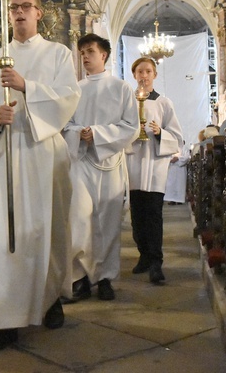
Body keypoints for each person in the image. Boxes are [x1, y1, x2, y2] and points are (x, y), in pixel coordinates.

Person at [0, 0, 81, 351]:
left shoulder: (58, 53)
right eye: (13, 8)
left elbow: (67, 97)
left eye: (25, 7)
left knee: (48, 231)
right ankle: (6, 320)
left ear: (38, 13)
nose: (18, 13)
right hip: (8, 155)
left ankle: (51, 300)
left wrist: (25, 87)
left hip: (45, 152)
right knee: (8, 238)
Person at [62, 33, 139, 302]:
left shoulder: (121, 88)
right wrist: (77, 133)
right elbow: (66, 124)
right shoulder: (75, 89)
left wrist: (96, 133)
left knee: (108, 222)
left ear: (103, 55)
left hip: (110, 162)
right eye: (82, 51)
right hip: (81, 162)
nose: (84, 56)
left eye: (90, 51)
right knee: (80, 220)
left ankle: (105, 277)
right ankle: (81, 277)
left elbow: (131, 127)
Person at [125, 56, 183, 284]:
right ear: (134, 75)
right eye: (140, 71)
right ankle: (143, 255)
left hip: (154, 163)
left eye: (148, 71)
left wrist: (160, 133)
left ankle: (156, 262)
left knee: (154, 215)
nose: (144, 75)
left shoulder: (164, 103)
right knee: (137, 215)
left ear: (154, 75)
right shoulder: (127, 102)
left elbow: (177, 136)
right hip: (134, 162)